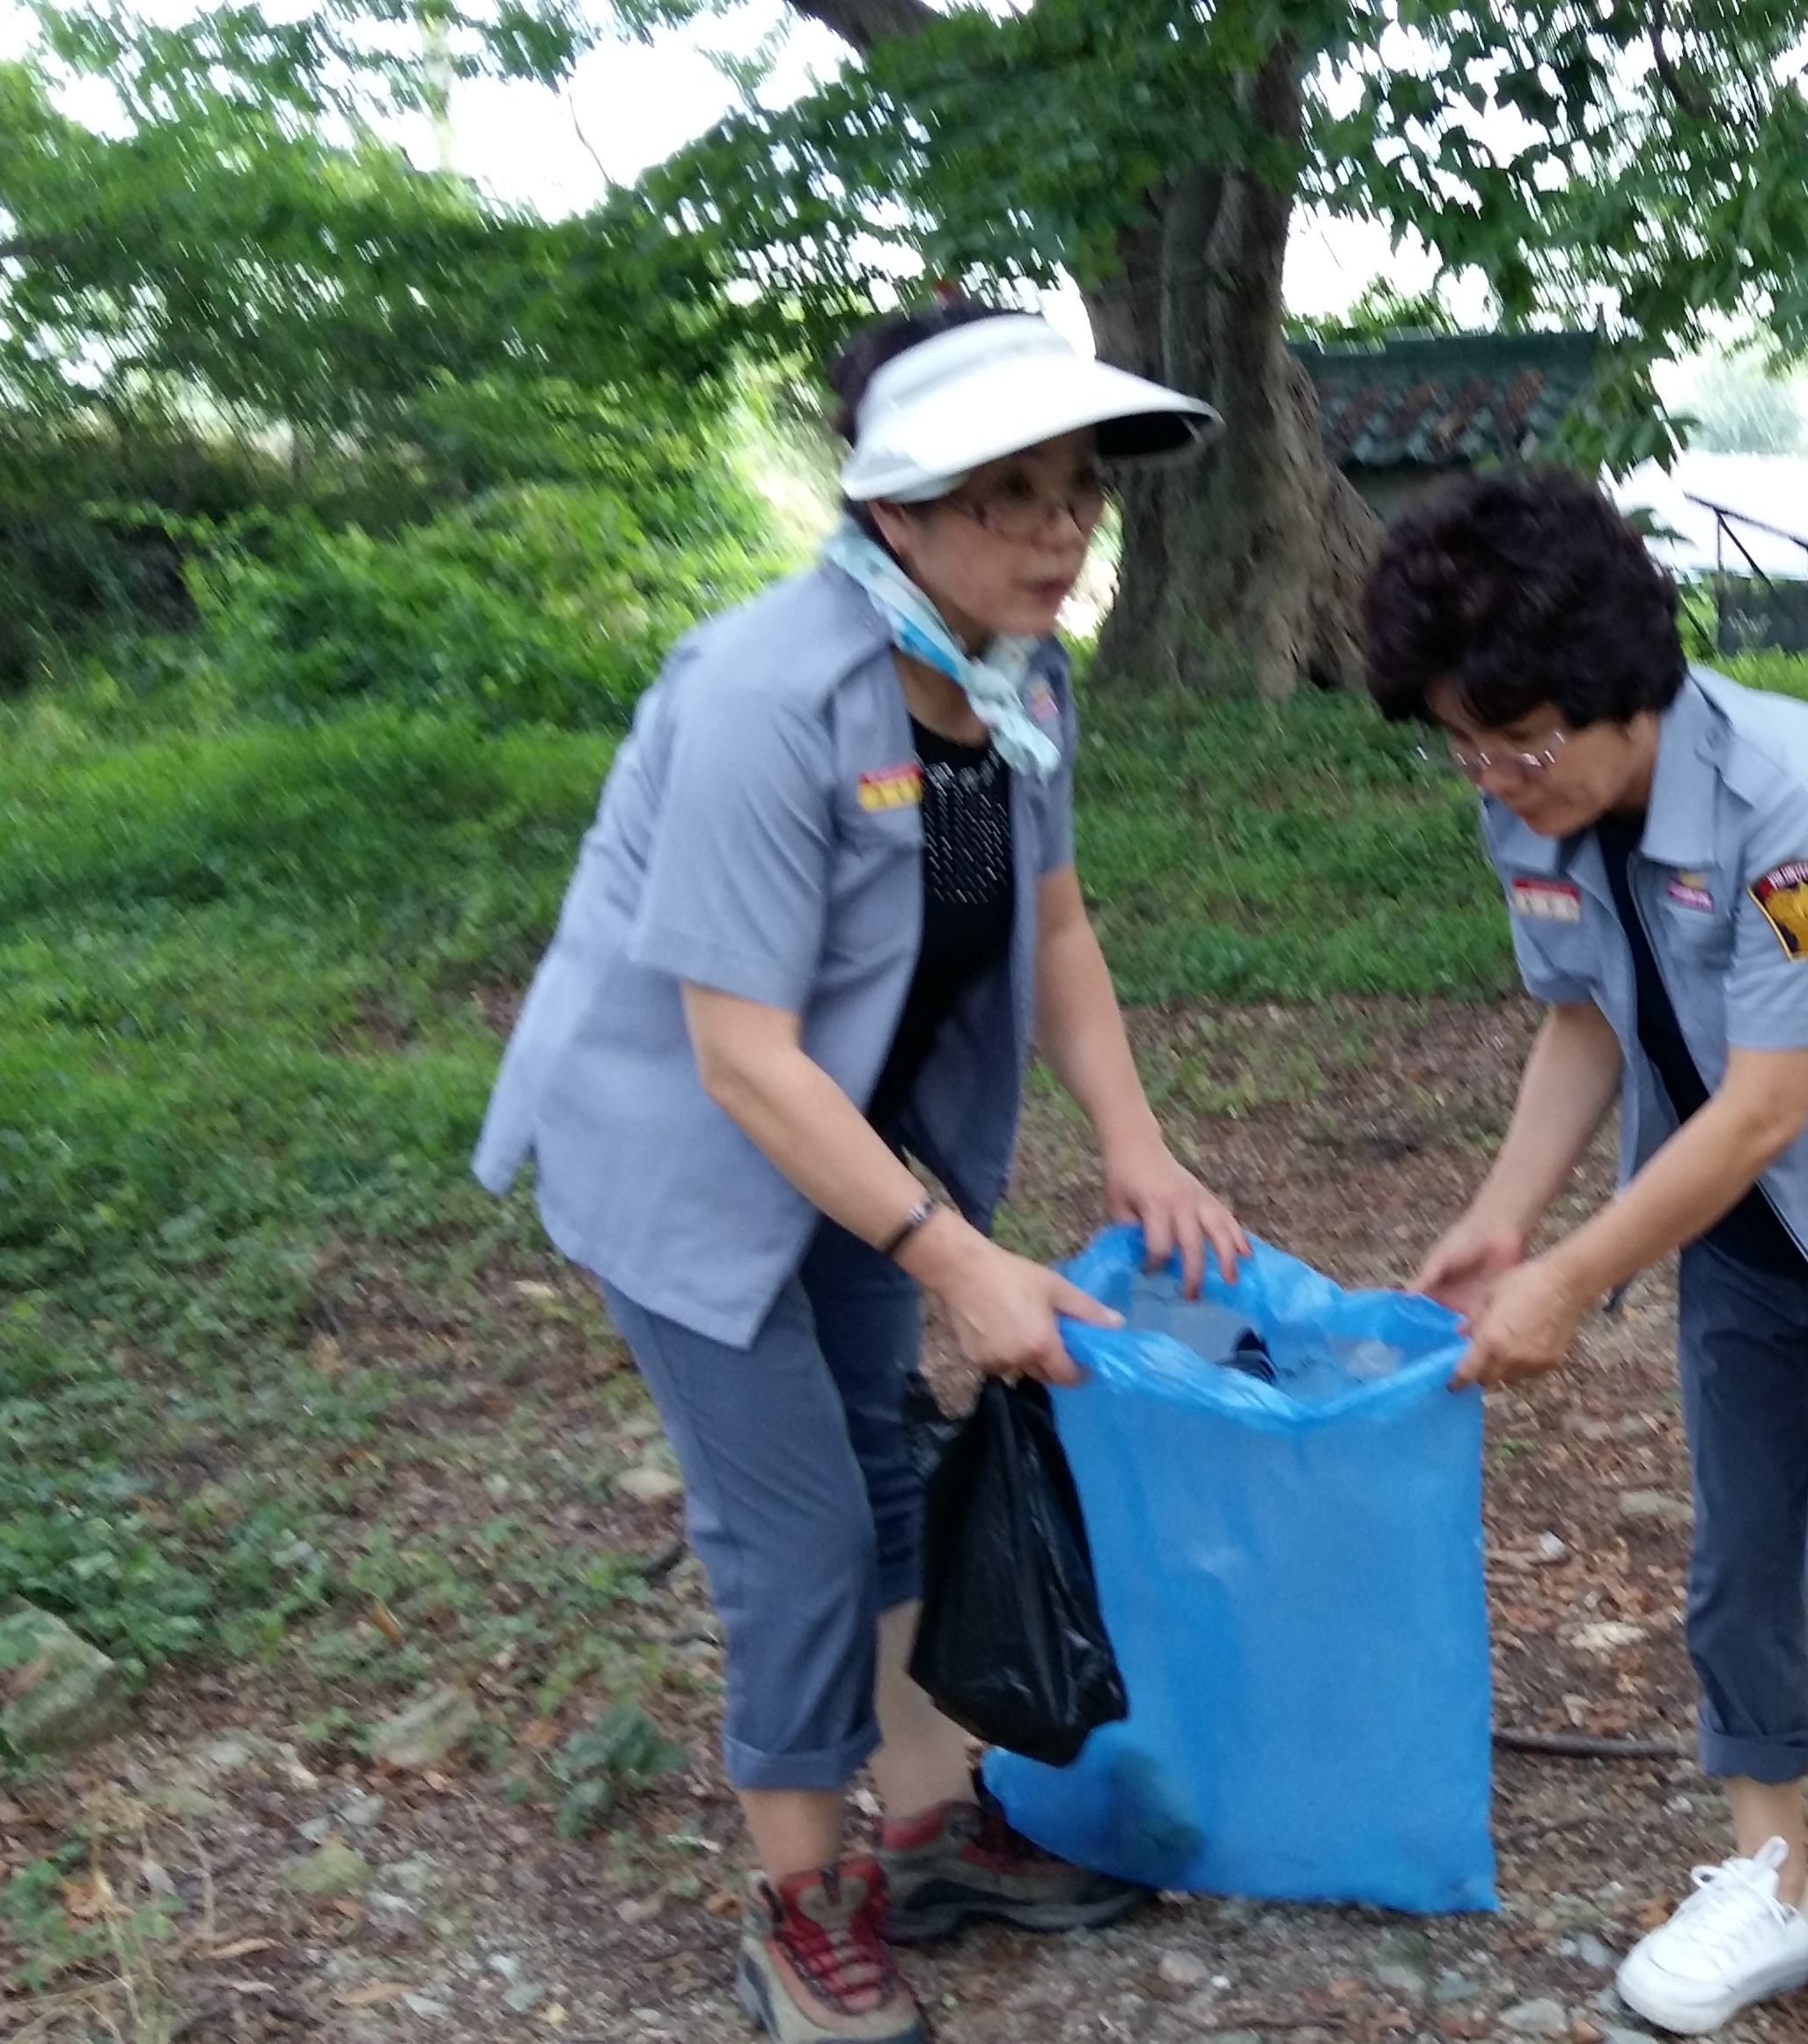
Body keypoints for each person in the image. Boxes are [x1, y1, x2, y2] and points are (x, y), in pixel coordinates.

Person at [474, 300, 1253, 2044]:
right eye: (1008, 496)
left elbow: (1055, 921)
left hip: (851, 1139)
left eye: (1080, 491)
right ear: (893, 509)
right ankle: (800, 1905)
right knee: (801, 1534)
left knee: (887, 1478)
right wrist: (956, 1256)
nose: (1060, 531)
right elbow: (741, 1056)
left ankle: (925, 1830)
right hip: (693, 1155)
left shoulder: (1016, 672)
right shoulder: (768, 695)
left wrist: (1136, 1145)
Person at [1371, 470, 1808, 2040]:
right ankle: (1773, 1875)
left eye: (1520, 741)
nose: (1493, 776)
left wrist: (1567, 1282)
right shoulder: (1533, 802)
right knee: (1737, 1572)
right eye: (1463, 745)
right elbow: (1580, 1015)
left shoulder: (1796, 804)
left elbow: (1766, 1104)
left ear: (1626, 686)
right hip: (1742, 1245)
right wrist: (1506, 1216)